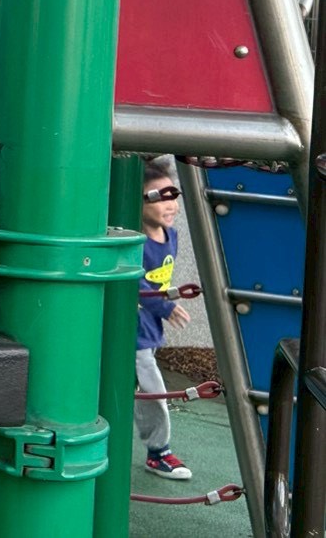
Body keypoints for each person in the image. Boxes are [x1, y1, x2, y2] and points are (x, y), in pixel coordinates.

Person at [137, 155, 192, 480]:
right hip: (132, 329)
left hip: (149, 327)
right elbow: (135, 282)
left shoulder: (171, 236)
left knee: (138, 389)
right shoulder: (136, 241)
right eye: (159, 196)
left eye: (174, 194)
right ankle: (158, 452)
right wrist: (166, 307)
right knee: (152, 389)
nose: (170, 204)